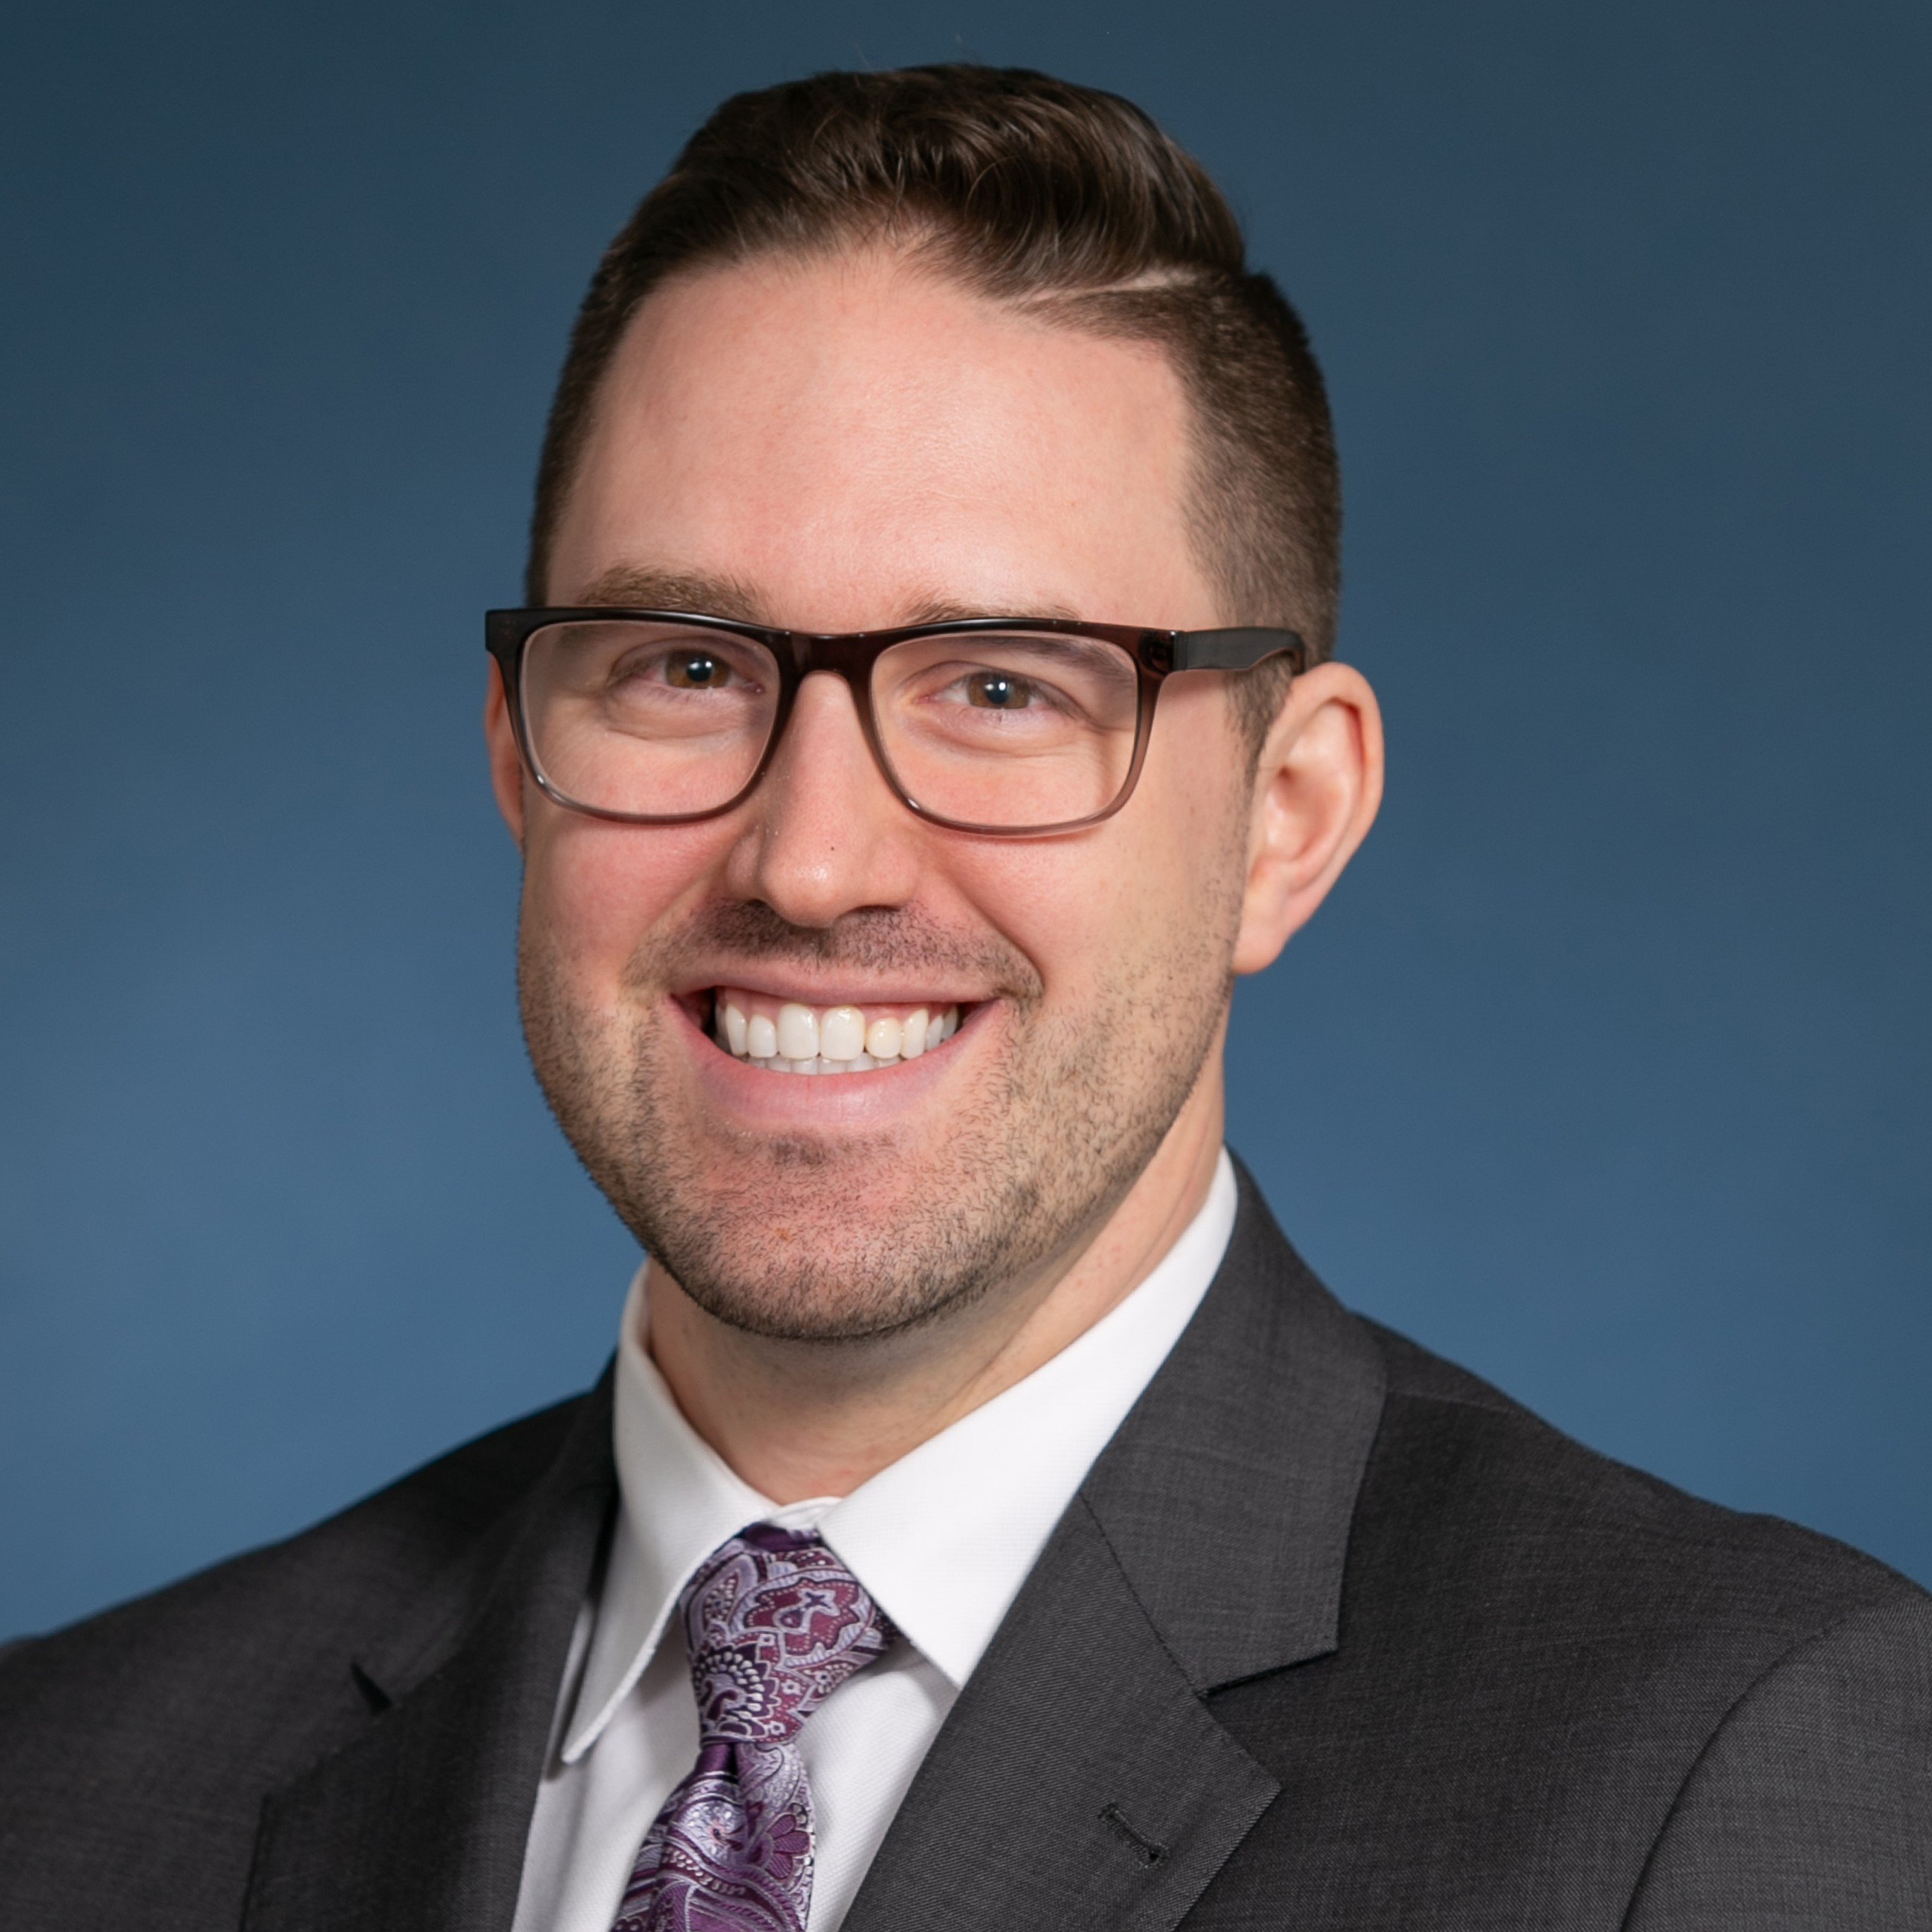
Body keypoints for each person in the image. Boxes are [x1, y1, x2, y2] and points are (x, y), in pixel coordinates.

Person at [1, 62, 1926, 1932]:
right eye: (686, 668)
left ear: (1286, 818)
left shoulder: (1722, 1777)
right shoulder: (60, 1792)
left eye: (1003, 685)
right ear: (520, 755)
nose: (809, 860)